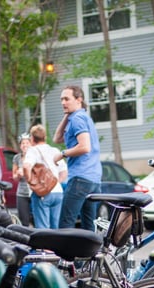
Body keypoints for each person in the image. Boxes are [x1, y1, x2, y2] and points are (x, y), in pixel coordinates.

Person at [53, 85, 102, 231]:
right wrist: (67, 114)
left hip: (80, 178)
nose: (63, 102)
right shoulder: (82, 117)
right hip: (94, 180)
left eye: (67, 99)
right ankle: (90, 254)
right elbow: (57, 138)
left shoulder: (77, 119)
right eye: (62, 99)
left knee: (65, 224)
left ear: (79, 100)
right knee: (88, 225)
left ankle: (65, 254)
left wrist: (62, 154)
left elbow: (84, 146)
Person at [23, 124, 67, 229]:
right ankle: (55, 245)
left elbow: (26, 166)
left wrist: (30, 181)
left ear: (32, 138)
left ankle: (44, 246)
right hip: (57, 192)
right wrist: (55, 183)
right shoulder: (55, 150)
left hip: (42, 193)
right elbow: (64, 172)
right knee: (55, 227)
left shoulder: (33, 151)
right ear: (45, 137)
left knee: (43, 228)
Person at [12, 133, 32, 226]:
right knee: (24, 221)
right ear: (20, 145)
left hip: (34, 191)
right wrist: (18, 175)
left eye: (27, 143)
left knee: (36, 219)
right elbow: (14, 177)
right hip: (22, 192)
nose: (25, 145)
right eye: (23, 143)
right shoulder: (17, 158)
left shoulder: (34, 156)